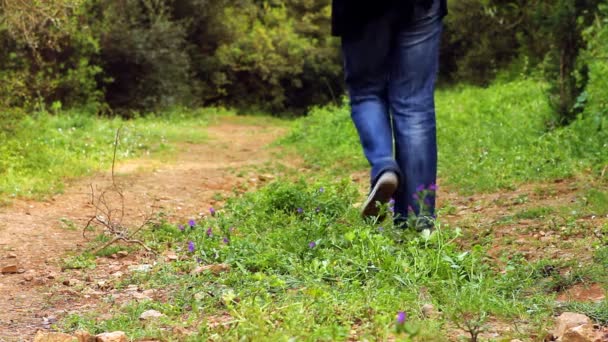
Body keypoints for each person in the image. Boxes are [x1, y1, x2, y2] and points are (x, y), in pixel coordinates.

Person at [332, 0, 447, 228]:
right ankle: (418, 220)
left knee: (366, 93)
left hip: (361, 10)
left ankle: (384, 166)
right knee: (414, 105)